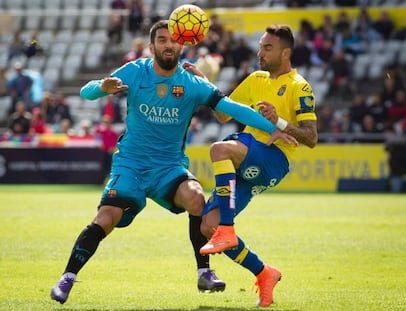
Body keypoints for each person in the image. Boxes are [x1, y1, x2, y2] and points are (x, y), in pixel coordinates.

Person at [50, 20, 296, 305]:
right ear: (152, 46)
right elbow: (86, 93)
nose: (169, 45)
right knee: (106, 219)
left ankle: (204, 272)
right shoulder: (134, 71)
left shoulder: (191, 83)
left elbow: (231, 108)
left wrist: (273, 128)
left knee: (195, 198)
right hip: (131, 164)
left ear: (182, 44)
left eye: (173, 41)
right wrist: (100, 87)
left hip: (169, 167)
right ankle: (67, 278)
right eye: (162, 40)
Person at [198, 25, 318, 307]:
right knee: (208, 226)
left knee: (219, 149)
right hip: (250, 159)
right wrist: (204, 81)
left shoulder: (299, 86)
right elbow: (222, 115)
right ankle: (265, 273)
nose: (260, 52)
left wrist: (279, 121)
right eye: (261, 46)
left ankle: (227, 228)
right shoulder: (255, 79)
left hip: (274, 158)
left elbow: (311, 138)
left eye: (268, 48)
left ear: (285, 52)